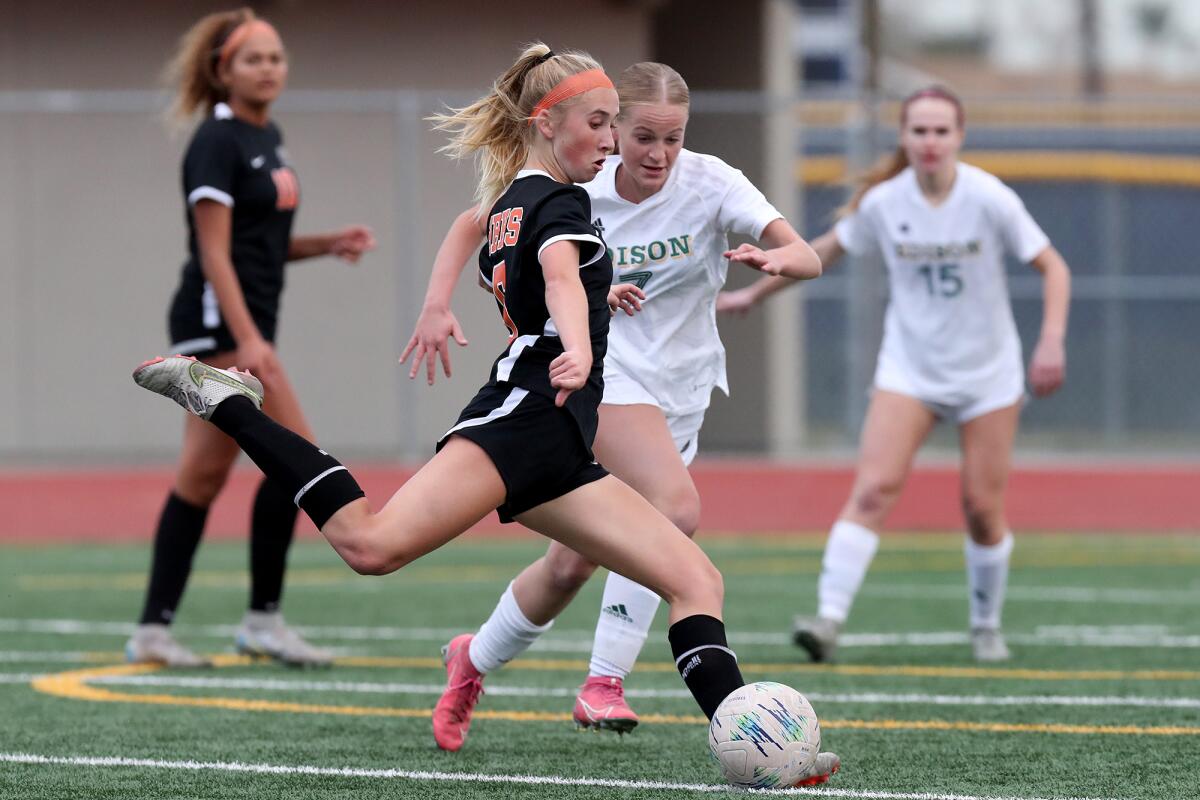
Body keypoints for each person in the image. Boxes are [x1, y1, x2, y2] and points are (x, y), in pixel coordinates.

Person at [132, 43, 825, 780]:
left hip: (561, 442)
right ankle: (232, 407)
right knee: (370, 546)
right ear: (548, 121)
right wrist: (583, 343)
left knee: (694, 579)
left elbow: (546, 269)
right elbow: (559, 276)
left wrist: (575, 307)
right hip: (524, 417)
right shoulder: (557, 201)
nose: (612, 139)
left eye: (613, 124)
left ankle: (757, 745)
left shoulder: (520, 198)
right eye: (600, 123)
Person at [405, 62, 824, 750]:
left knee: (571, 563)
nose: (658, 154)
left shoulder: (711, 180)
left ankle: (471, 659)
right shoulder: (578, 181)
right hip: (605, 373)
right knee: (676, 509)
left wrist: (781, 262)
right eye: (641, 136)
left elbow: (805, 254)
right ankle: (605, 683)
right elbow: (479, 227)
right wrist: (437, 303)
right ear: (612, 131)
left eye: (673, 138)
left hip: (684, 384)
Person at [720, 85, 1071, 663]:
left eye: (941, 131)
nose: (930, 142)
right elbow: (823, 251)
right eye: (919, 131)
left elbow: (1052, 266)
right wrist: (755, 295)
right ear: (904, 138)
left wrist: (1051, 340)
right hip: (909, 368)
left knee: (982, 508)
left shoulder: (989, 198)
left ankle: (986, 625)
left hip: (988, 374)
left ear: (959, 137)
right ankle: (827, 621)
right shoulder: (886, 203)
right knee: (874, 488)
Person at [125, 8, 376, 668]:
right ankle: (261, 620)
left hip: (243, 325)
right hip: (217, 327)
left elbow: (257, 243)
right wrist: (248, 341)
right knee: (296, 456)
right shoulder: (217, 140)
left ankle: (155, 629)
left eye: (275, 57)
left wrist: (325, 245)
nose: (269, 68)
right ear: (222, 72)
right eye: (253, 59)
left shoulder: (269, 135)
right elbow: (214, 252)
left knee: (202, 482)